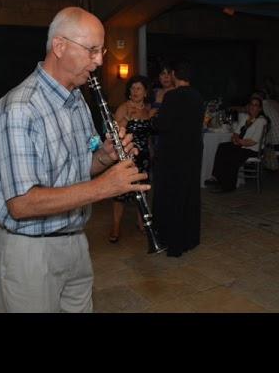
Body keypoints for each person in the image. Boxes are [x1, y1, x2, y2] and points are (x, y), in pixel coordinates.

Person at [0, 6, 149, 313]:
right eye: (91, 50)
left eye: (100, 51)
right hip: (31, 252)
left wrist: (105, 157)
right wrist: (105, 187)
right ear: (59, 47)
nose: (100, 61)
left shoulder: (76, 100)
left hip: (75, 241)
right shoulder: (20, 108)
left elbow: (80, 168)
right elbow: (21, 204)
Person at [151, 61, 205, 258]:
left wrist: (153, 120)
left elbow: (163, 125)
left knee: (171, 196)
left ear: (174, 74)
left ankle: (171, 242)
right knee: (189, 194)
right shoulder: (198, 96)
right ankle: (189, 238)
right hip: (192, 152)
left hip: (173, 154)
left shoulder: (172, 96)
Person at [108, 75, 153, 243]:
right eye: (133, 88)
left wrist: (151, 150)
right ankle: (115, 226)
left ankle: (141, 222)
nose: (135, 91)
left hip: (144, 157)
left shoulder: (147, 109)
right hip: (126, 155)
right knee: (121, 194)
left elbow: (148, 135)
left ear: (145, 92)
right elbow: (114, 131)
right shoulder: (124, 107)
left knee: (142, 190)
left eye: (139, 88)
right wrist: (127, 118)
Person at [210, 96, 267, 192]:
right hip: (242, 145)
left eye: (256, 105)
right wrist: (235, 139)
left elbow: (253, 141)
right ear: (248, 106)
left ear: (260, 108)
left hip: (253, 149)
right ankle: (217, 178)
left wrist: (238, 142)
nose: (253, 107)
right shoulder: (246, 118)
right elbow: (236, 133)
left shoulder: (261, 121)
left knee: (233, 155)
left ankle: (228, 186)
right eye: (251, 104)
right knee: (222, 147)